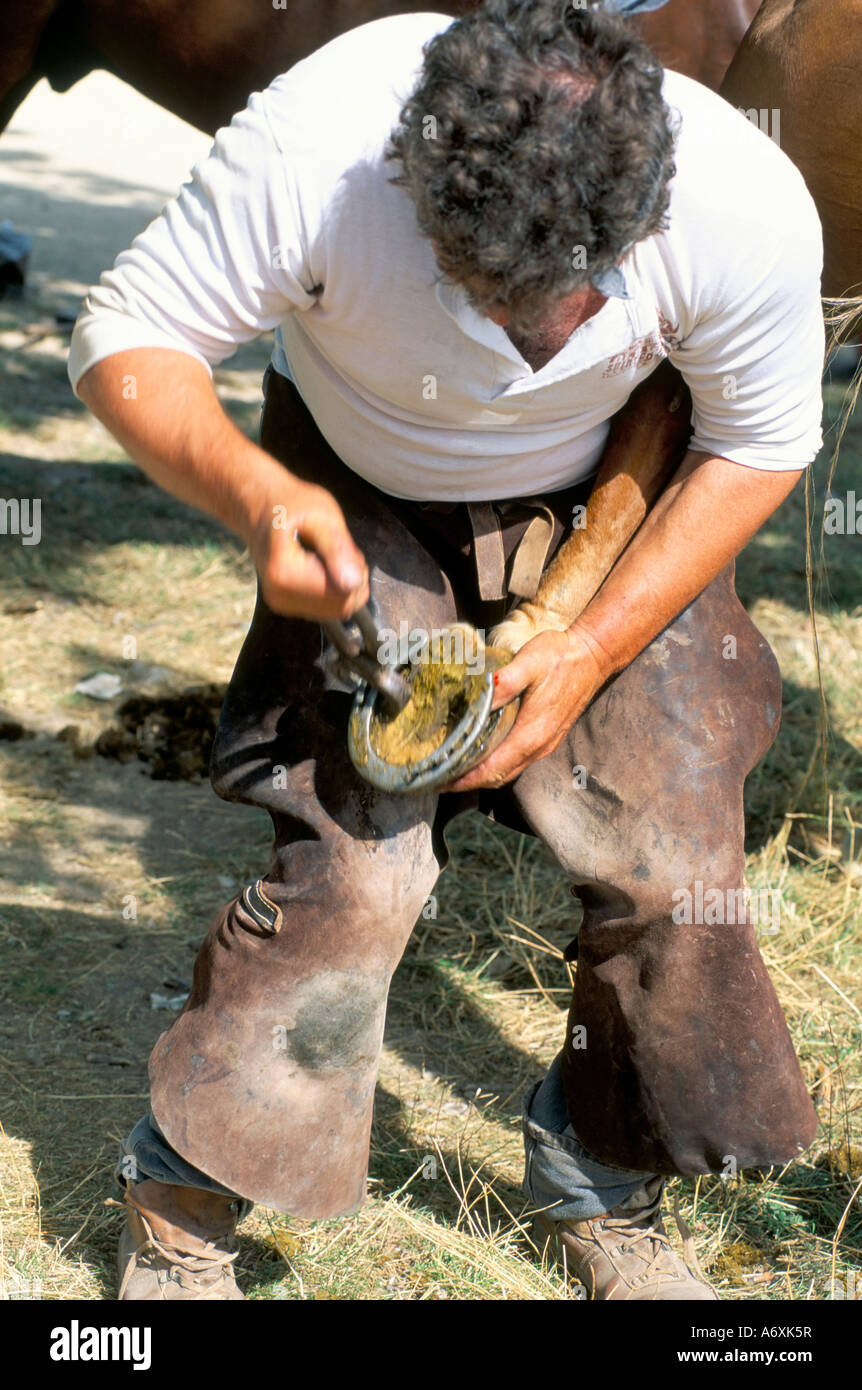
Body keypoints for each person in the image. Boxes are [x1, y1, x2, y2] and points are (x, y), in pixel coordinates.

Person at [68, 0, 824, 1301]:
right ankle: (187, 1193)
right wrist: (255, 497)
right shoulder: (318, 147)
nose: (544, 333)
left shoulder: (739, 196)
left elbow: (755, 444)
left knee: (672, 850)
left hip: (604, 495)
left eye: (584, 293)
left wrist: (583, 651)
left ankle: (601, 1173)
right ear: (414, 187)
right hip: (353, 477)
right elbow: (124, 337)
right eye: (499, 289)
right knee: (360, 871)